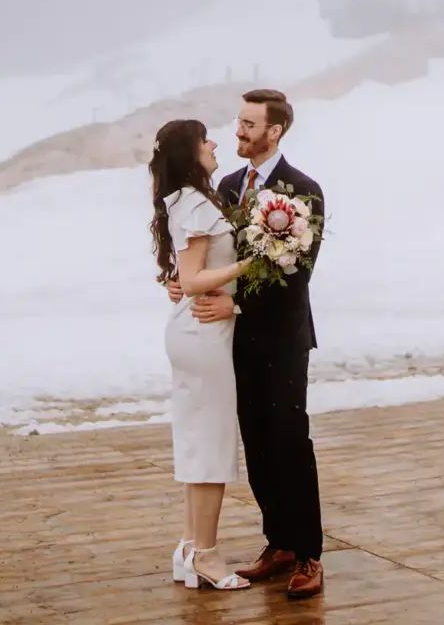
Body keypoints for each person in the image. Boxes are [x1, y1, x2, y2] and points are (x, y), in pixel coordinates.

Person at [184, 88, 327, 600]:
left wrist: (237, 304)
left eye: (249, 124)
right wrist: (189, 281)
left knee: (290, 441)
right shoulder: (225, 185)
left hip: (284, 339)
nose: (238, 131)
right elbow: (217, 253)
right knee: (258, 445)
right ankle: (279, 544)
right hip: (235, 341)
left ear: (275, 131)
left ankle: (309, 554)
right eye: (238, 122)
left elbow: (297, 276)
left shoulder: (303, 189)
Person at [149, 119, 252, 591]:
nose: (215, 144)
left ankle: (190, 547)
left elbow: (185, 274)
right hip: (204, 332)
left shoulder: (187, 200)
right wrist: (253, 263)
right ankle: (207, 557)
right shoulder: (195, 203)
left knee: (197, 438)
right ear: (191, 154)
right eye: (205, 139)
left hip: (191, 331)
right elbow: (191, 280)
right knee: (211, 443)